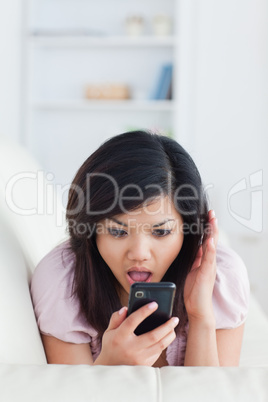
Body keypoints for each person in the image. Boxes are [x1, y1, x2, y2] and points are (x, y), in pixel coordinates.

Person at [30, 130, 250, 367]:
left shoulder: (222, 279)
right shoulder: (62, 283)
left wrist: (200, 317)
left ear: (188, 231)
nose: (139, 253)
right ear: (92, 231)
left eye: (161, 232)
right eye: (117, 231)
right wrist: (109, 364)